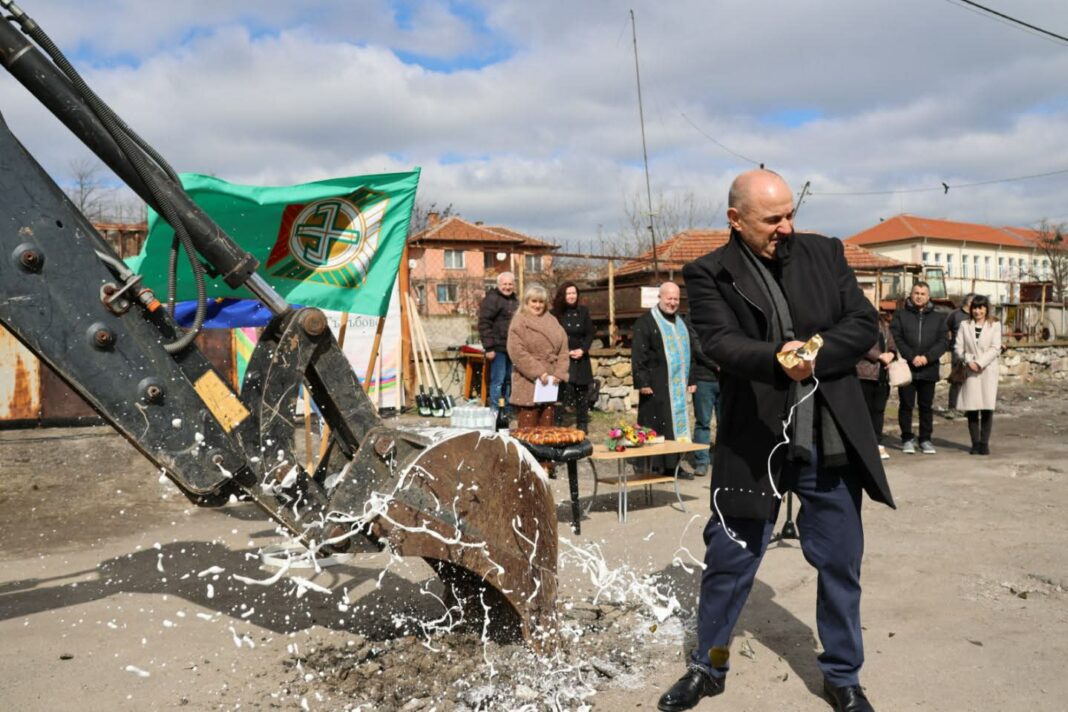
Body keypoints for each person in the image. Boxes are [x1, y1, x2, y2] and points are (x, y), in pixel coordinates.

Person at [663, 169, 893, 712]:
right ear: (735, 219)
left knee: (840, 561)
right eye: (772, 219)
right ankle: (708, 665)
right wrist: (775, 359)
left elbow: (862, 322)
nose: (786, 227)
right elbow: (719, 342)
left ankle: (843, 676)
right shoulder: (708, 271)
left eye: (791, 214)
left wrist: (814, 352)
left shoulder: (824, 252)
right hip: (754, 440)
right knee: (729, 559)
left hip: (829, 436)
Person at [630, 282, 697, 476]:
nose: (673, 302)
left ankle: (672, 466)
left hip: (676, 386)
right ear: (660, 297)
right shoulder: (646, 321)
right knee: (654, 425)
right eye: (669, 298)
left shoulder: (681, 322)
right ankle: (649, 465)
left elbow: (689, 353)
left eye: (676, 299)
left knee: (673, 426)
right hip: (654, 384)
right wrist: (642, 382)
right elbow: (638, 354)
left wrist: (691, 379)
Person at [890, 282, 948, 455]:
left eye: (923, 293)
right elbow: (896, 337)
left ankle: (925, 439)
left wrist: (927, 357)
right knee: (906, 405)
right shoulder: (900, 315)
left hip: (928, 368)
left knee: (926, 406)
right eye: (916, 293)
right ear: (911, 294)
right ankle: (907, 438)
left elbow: (943, 341)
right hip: (907, 368)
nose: (919, 296)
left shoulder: (939, 317)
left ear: (928, 297)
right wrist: (911, 356)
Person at [506, 284, 570, 431]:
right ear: (526, 302)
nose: (537, 305)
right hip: (527, 381)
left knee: (547, 429)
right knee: (528, 431)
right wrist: (538, 372)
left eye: (541, 302)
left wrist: (559, 373)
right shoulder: (519, 322)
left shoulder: (553, 321)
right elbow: (516, 352)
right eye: (534, 301)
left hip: (550, 383)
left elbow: (563, 350)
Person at [954, 295, 1001, 455]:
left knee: (987, 407)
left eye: (981, 308)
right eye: (975, 307)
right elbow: (958, 347)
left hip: (987, 370)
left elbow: (995, 348)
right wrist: (969, 361)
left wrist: (980, 362)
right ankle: (975, 443)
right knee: (972, 407)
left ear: (986, 309)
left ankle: (984, 443)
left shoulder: (995, 325)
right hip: (970, 370)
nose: (977, 311)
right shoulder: (964, 325)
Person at [551, 282, 595, 433]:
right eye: (568, 293)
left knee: (582, 392)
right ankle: (557, 423)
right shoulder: (555, 313)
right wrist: (565, 351)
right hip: (563, 357)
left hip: (581, 357)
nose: (571, 296)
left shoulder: (583, 311)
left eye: (574, 293)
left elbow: (590, 333)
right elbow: (552, 336)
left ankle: (582, 423)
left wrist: (583, 349)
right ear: (563, 295)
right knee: (561, 391)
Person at [855, 309, 898, 460]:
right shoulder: (859, 327)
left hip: (882, 377)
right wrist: (879, 356)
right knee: (864, 412)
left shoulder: (884, 327)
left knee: (878, 411)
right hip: (864, 376)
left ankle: (877, 443)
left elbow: (892, 346)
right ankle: (864, 444)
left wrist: (891, 354)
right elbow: (860, 345)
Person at [478, 272, 518, 412]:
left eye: (510, 284)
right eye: (504, 284)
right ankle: (495, 411)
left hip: (511, 347)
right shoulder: (492, 299)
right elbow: (484, 324)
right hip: (497, 347)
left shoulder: (515, 300)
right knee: (498, 380)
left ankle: (506, 409)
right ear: (498, 285)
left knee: (508, 380)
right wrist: (489, 348)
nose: (507, 287)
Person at [687, 321, 721, 476]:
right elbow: (697, 348)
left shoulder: (724, 315)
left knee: (726, 423)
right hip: (703, 379)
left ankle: (722, 460)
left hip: (726, 379)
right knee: (703, 422)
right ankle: (702, 461)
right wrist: (717, 365)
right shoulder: (694, 318)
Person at [945, 293, 975, 413]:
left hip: (973, 352)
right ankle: (952, 408)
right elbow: (945, 328)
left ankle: (968, 409)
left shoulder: (976, 315)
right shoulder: (955, 315)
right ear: (968, 302)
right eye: (974, 303)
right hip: (958, 351)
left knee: (971, 381)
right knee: (957, 380)